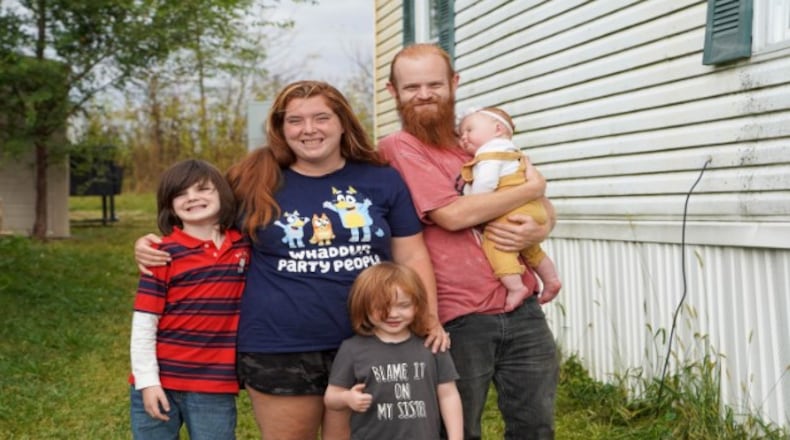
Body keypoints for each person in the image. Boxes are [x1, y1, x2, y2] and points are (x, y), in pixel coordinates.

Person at [133, 80, 449, 440]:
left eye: (321, 118)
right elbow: (199, 221)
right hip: (279, 344)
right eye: (295, 120)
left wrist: (428, 317)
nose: (309, 129)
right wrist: (148, 243)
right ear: (281, 129)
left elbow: (410, 252)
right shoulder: (254, 180)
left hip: (368, 338)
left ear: (343, 122)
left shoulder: (380, 179)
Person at [379, 43, 560, 439]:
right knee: (457, 429)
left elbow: (538, 205)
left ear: (454, 84)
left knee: (535, 425)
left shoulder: (481, 141)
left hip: (523, 309)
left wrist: (541, 224)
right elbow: (452, 214)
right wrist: (536, 186)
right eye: (411, 87)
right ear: (393, 92)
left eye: (434, 84)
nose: (424, 94)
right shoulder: (401, 147)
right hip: (457, 316)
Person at [129, 159, 249, 440]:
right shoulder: (161, 253)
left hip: (215, 383)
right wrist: (147, 382)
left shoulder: (244, 246)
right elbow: (145, 322)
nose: (193, 198)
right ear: (169, 206)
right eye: (180, 194)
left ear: (222, 193)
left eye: (203, 189)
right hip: (160, 381)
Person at [325, 262, 463, 440]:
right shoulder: (352, 349)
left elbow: (448, 395)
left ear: (417, 305)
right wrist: (347, 398)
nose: (393, 314)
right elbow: (331, 397)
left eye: (403, 305)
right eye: (381, 307)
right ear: (363, 306)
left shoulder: (431, 344)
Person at [458, 106, 562, 312]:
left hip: (510, 211)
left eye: (469, 130)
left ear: (497, 129)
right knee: (531, 249)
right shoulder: (513, 152)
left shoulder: (490, 152)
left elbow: (486, 184)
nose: (464, 137)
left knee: (497, 245)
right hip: (532, 209)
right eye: (461, 133)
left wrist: (471, 199)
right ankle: (551, 280)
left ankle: (516, 288)